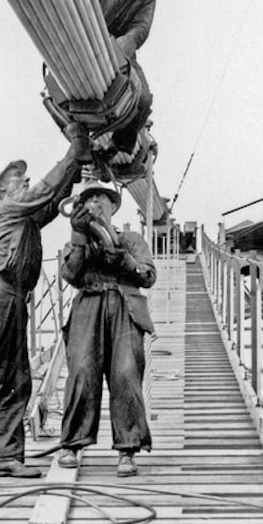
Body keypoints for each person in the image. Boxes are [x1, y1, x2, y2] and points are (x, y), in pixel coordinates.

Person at [0, 131, 92, 481]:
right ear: (2, 190)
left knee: (17, 380)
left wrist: (75, 171)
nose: (24, 179)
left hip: (14, 302)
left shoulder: (23, 217)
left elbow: (50, 203)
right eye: (16, 178)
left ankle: (5, 457)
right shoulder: (5, 210)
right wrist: (73, 153)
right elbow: (42, 192)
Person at [57, 181, 156, 476]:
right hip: (89, 305)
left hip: (125, 307)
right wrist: (79, 238)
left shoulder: (133, 239)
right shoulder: (78, 240)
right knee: (82, 371)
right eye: (89, 199)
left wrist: (125, 261)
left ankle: (127, 450)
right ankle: (72, 444)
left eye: (102, 198)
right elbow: (70, 275)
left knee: (126, 373)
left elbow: (148, 275)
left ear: (113, 206)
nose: (96, 204)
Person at [89, 0, 173, 152]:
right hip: (87, 43)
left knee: (142, 99)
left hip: (121, 49)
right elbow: (77, 9)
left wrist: (127, 43)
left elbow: (141, 25)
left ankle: (115, 149)